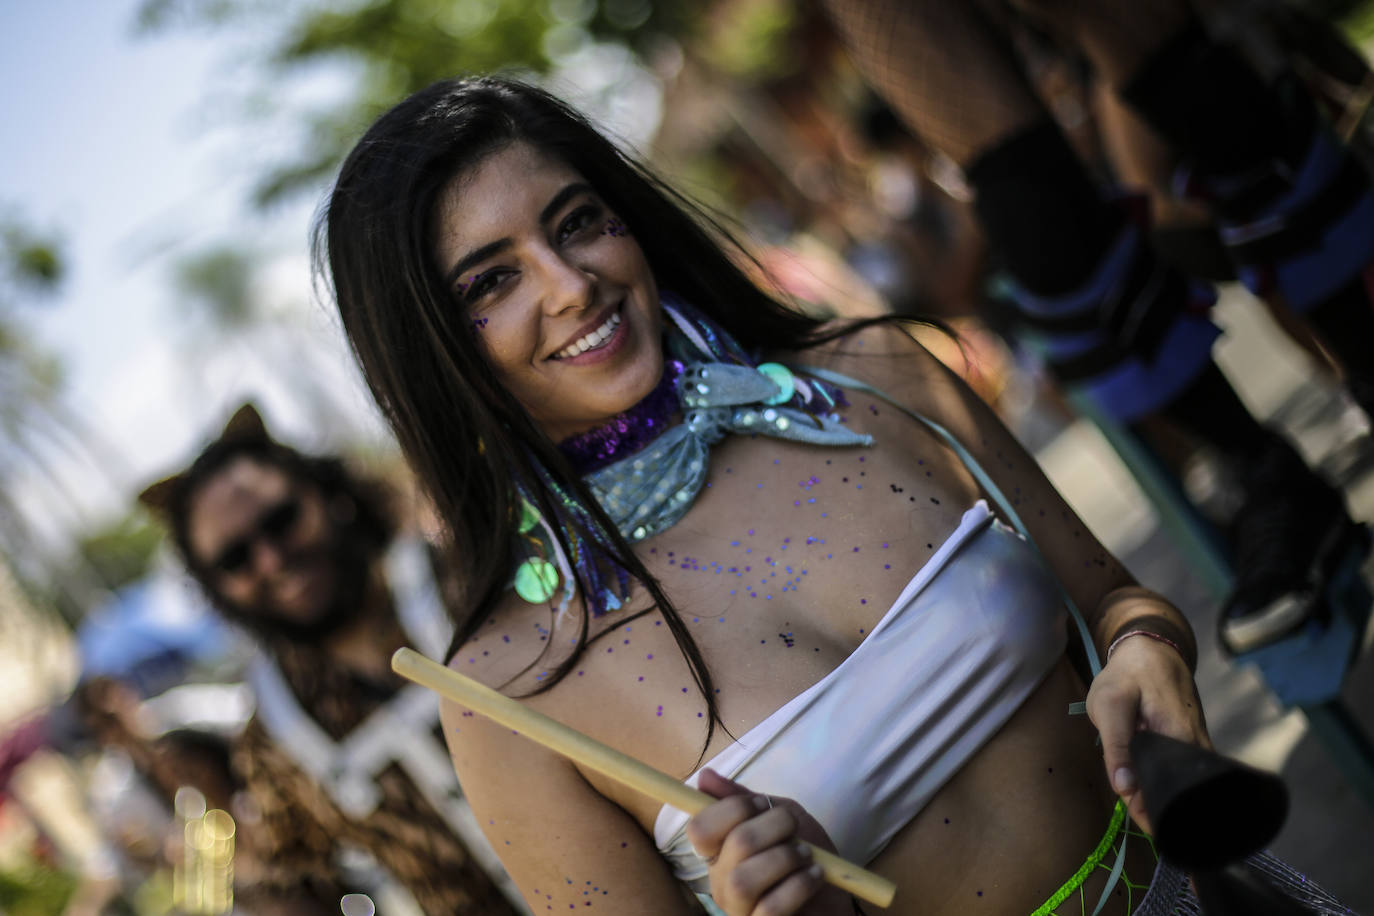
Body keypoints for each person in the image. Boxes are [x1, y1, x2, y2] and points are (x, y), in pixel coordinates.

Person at [315, 75, 1355, 915]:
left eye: (577, 221)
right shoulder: (505, 694)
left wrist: (1147, 651)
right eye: (490, 282)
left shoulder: (878, 377)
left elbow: (1119, 600)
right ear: (434, 353)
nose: (569, 283)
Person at [137, 404, 520, 915]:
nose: (272, 561)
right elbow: (305, 886)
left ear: (328, 494)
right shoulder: (274, 739)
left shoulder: (474, 573)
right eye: (235, 558)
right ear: (217, 589)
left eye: (281, 520)